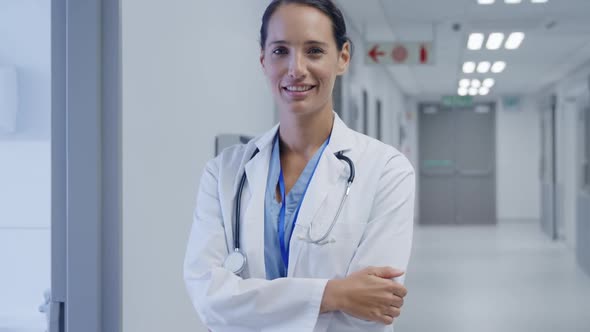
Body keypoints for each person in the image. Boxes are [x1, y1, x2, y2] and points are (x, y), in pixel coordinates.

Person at [183, 0, 415, 331]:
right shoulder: (225, 172)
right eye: (280, 51)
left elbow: (371, 308)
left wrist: (250, 303)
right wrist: (333, 294)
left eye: (314, 51)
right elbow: (208, 298)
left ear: (343, 57)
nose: (296, 68)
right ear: (263, 59)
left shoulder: (387, 171)